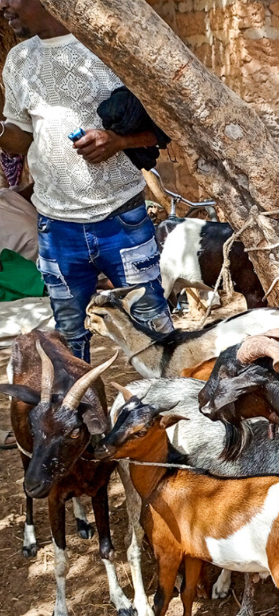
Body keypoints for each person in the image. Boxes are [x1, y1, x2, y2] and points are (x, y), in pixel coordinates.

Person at [0, 0, 173, 362]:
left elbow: (166, 128)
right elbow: (20, 137)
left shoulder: (108, 51)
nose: (3, 5)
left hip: (122, 220)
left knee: (153, 331)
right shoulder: (18, 60)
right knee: (68, 345)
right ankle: (81, 418)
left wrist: (119, 141)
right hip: (56, 228)